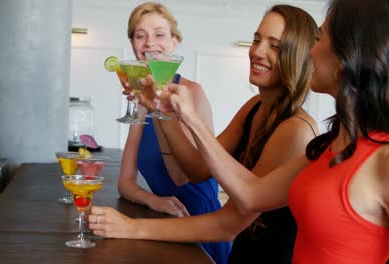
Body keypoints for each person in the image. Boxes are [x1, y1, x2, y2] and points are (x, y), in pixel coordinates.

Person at [91, 0, 389, 262]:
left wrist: (133, 228)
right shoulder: (326, 144)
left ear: (347, 56)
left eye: (320, 38)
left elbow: (229, 220)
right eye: (257, 39)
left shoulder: (374, 155)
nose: (311, 51)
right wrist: (168, 111)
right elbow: (248, 193)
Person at [117, 2, 231, 263]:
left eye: (159, 34)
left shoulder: (191, 94)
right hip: (163, 222)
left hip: (201, 224)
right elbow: (125, 182)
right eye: (140, 35)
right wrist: (152, 201)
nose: (149, 43)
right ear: (133, 44)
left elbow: (180, 177)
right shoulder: (140, 100)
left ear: (174, 42)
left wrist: (158, 105)